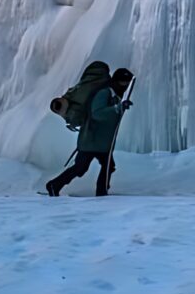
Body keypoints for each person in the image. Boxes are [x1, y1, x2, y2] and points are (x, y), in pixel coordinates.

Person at [46, 67, 134, 197]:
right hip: (91, 140)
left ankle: (101, 191)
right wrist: (118, 108)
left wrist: (118, 107)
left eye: (127, 83)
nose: (125, 86)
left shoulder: (114, 95)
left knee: (106, 165)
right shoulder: (104, 93)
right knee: (82, 167)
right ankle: (54, 185)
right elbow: (97, 113)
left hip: (101, 142)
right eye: (122, 82)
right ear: (115, 81)